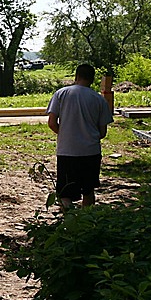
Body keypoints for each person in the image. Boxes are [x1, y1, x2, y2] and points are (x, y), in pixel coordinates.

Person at [46, 63, 114, 209]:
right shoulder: (99, 99)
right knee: (88, 191)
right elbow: (102, 132)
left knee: (65, 193)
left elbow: (52, 122)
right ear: (92, 79)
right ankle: (86, 221)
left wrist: (66, 134)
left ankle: (70, 219)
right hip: (91, 152)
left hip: (67, 151)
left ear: (76, 76)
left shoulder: (61, 94)